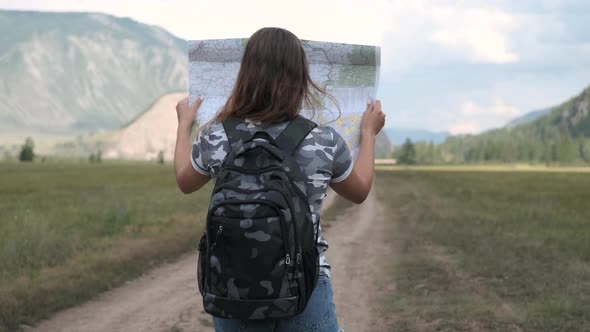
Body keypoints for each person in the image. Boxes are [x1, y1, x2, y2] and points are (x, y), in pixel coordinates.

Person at [174, 27, 384, 332]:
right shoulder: (322, 139)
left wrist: (183, 126)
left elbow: (185, 180)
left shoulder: (216, 134)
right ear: (301, 77)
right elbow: (360, 189)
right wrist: (368, 134)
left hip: (233, 293)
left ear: (244, 74)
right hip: (305, 287)